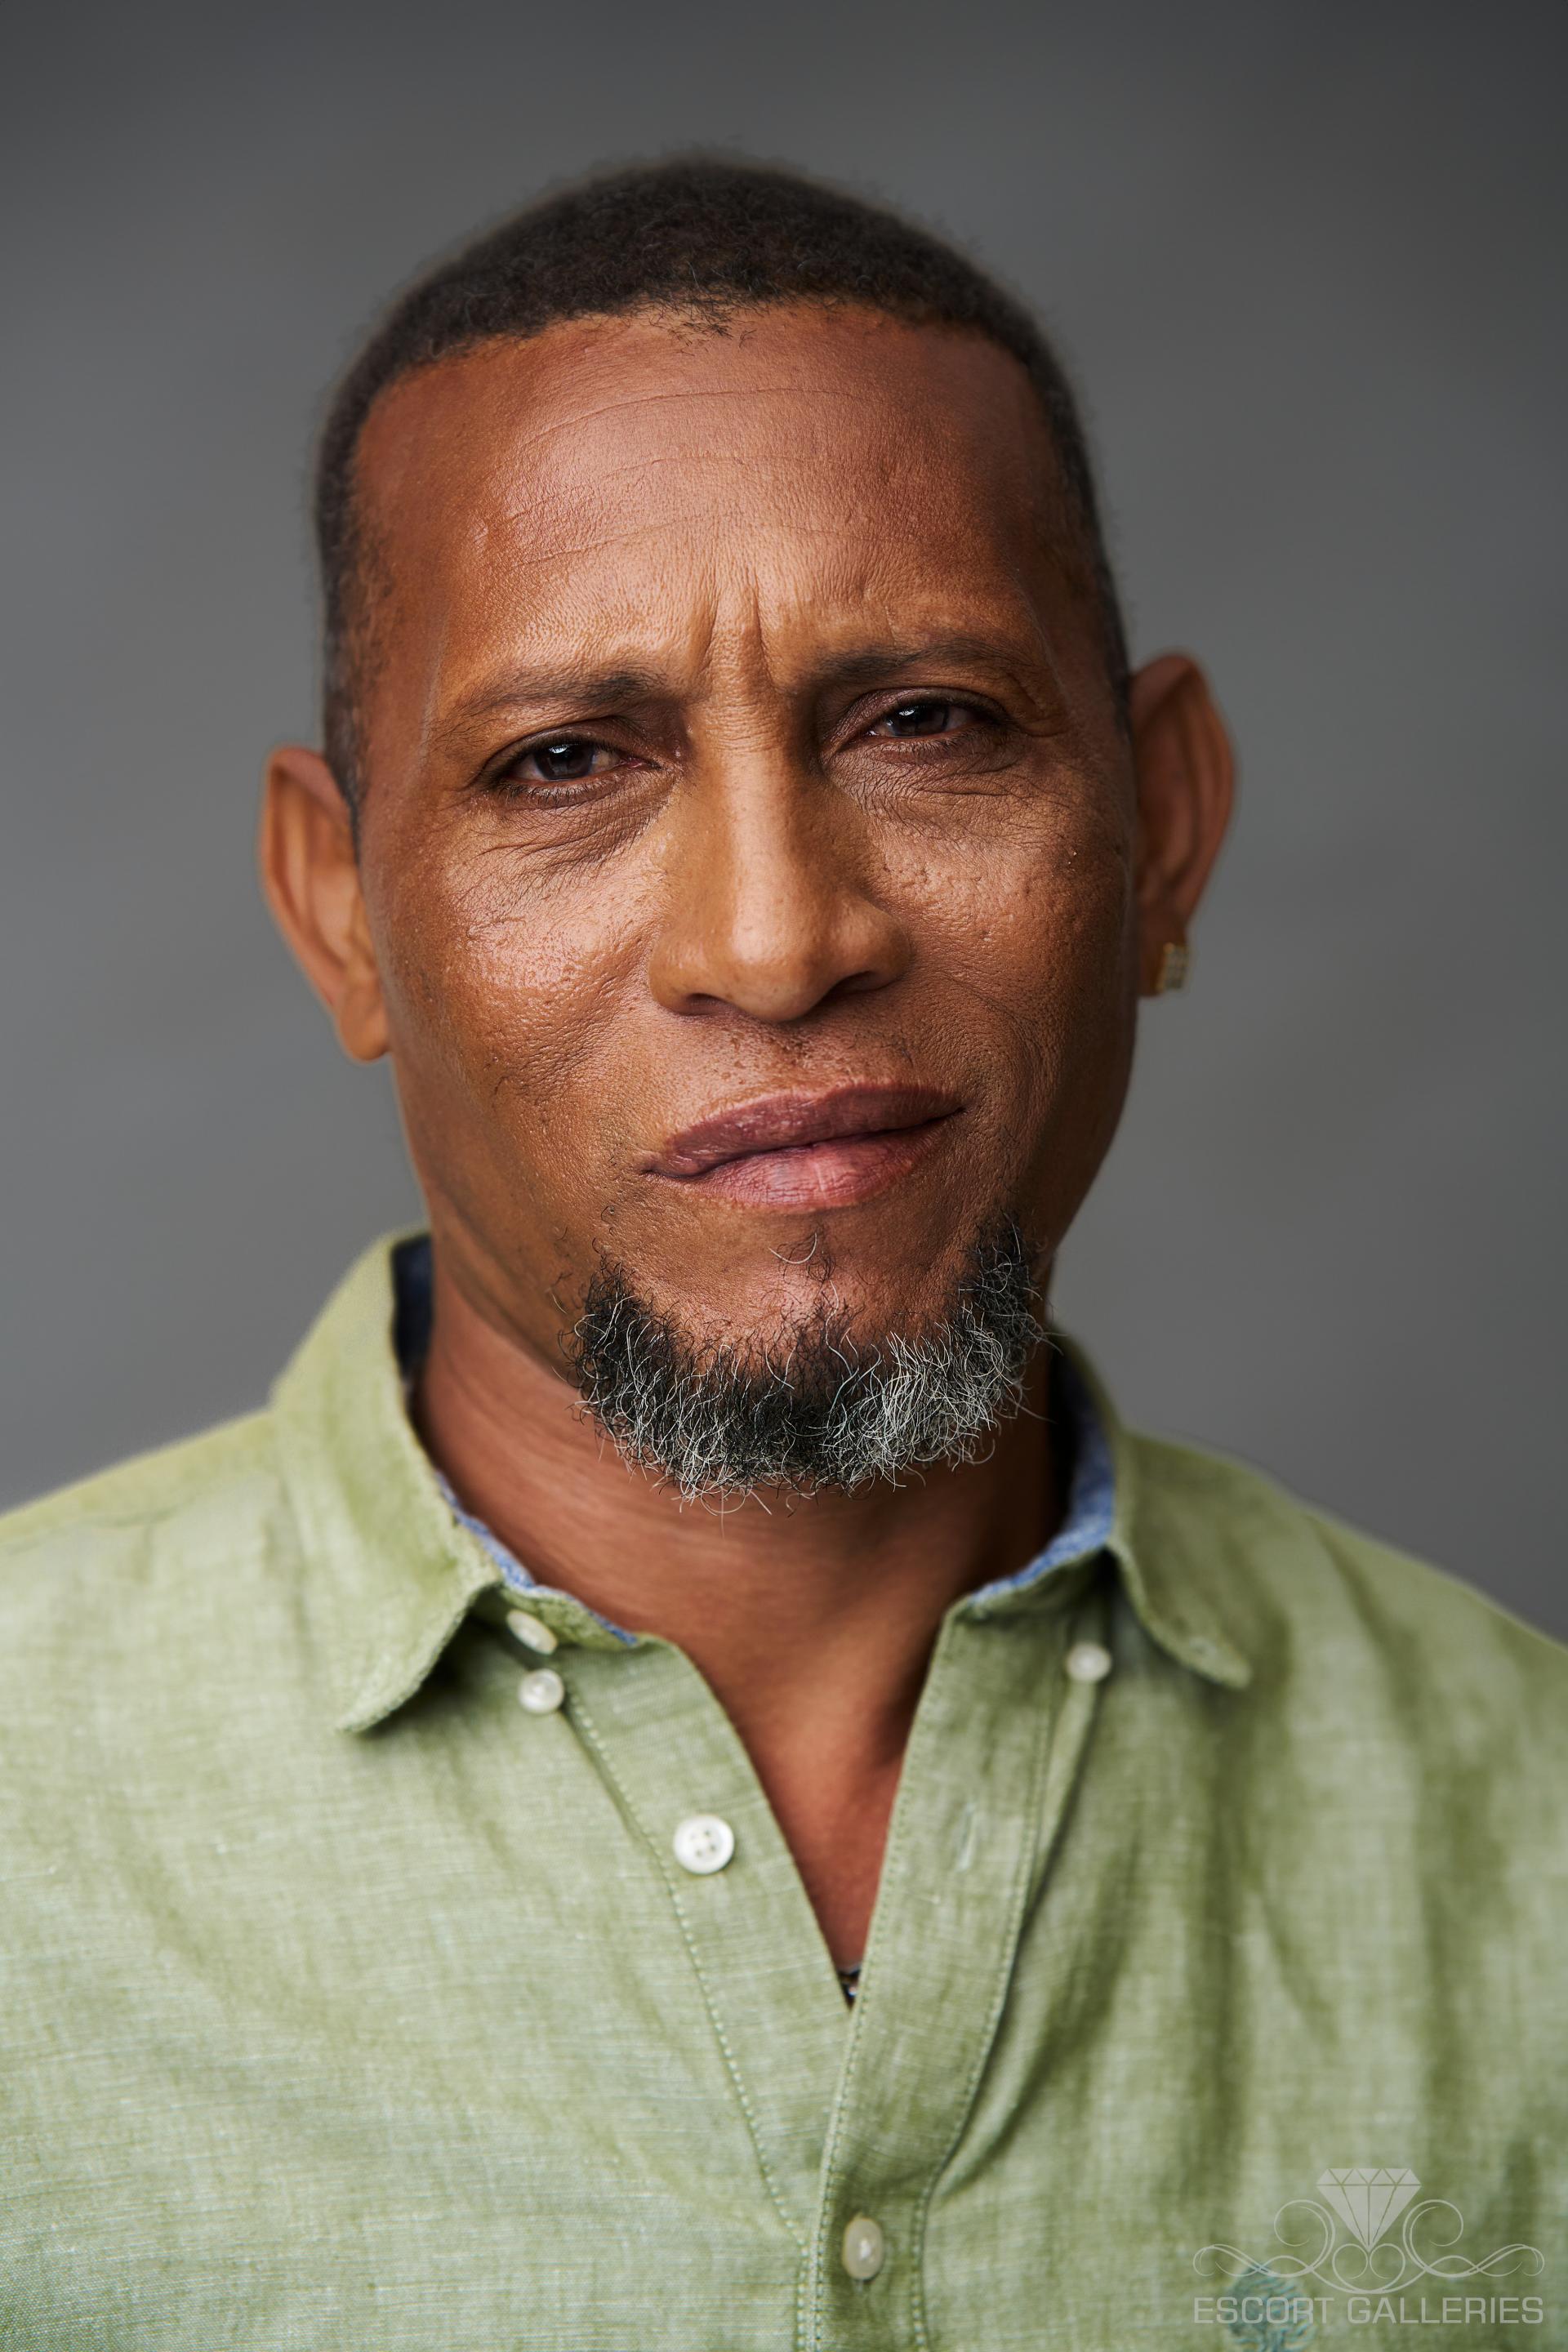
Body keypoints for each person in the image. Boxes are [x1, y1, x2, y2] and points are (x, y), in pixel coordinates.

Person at [2, 158, 1562, 2350]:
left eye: (925, 721)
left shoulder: (1533, 1836)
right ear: (342, 909)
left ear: (1169, 824)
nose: (776, 937)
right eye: (565, 761)